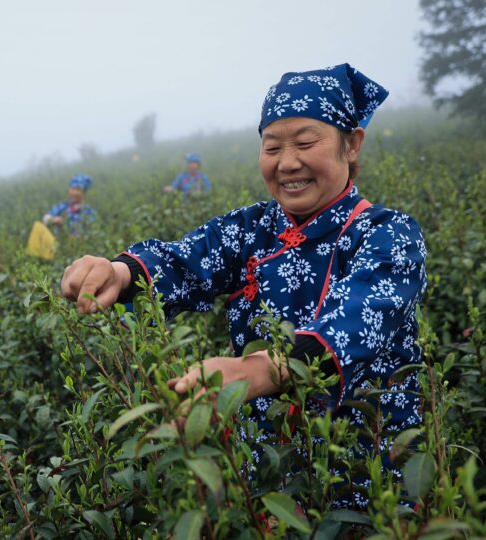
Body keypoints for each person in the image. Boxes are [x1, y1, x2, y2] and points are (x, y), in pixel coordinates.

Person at [60, 64, 426, 507]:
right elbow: (181, 261)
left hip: (367, 483)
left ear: (351, 144)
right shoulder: (250, 229)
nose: (287, 162)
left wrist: (252, 370)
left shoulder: (389, 234)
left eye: (306, 143)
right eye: (272, 147)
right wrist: (117, 273)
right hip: (270, 479)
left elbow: (359, 319)